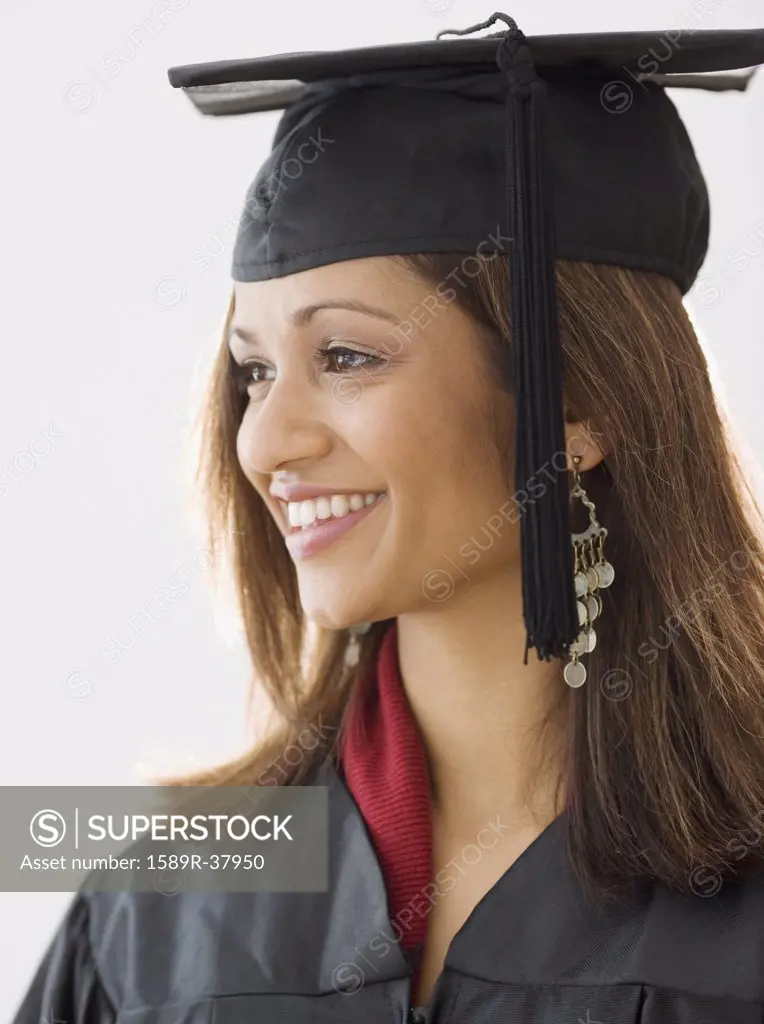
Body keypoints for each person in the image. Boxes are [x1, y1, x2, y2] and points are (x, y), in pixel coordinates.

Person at [13, 13, 764, 1024]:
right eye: (253, 371)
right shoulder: (165, 903)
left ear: (579, 402)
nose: (263, 441)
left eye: (347, 357)